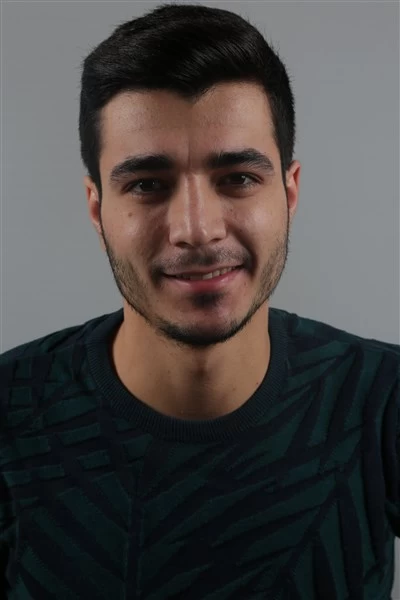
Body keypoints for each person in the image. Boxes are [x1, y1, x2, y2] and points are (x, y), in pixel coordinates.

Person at [1, 3, 399, 598]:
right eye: (147, 185)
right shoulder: (10, 414)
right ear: (97, 210)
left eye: (238, 178)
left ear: (289, 193)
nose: (197, 229)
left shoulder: (381, 399)